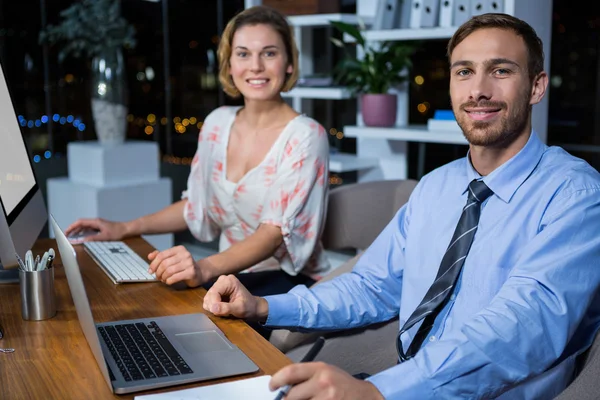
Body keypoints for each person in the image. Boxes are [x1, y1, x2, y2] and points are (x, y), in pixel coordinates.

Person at [202, 13, 600, 399]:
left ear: (536, 86)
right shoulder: (435, 188)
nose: (478, 90)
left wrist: (376, 391)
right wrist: (262, 306)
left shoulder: (576, 196)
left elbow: (521, 330)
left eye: (500, 71)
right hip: (404, 382)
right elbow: (371, 286)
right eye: (464, 71)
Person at [65, 6, 331, 297]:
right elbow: (196, 204)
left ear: (289, 63)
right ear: (229, 65)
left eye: (269, 53)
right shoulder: (217, 123)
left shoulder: (306, 136)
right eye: (243, 54)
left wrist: (203, 269)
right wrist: (124, 228)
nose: (255, 66)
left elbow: (272, 235)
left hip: (286, 283)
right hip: (227, 274)